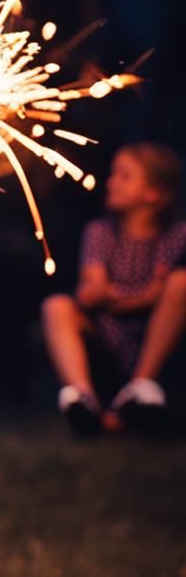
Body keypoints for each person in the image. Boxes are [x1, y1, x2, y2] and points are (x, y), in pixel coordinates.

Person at [42, 142, 186, 436]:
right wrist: (146, 295)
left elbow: (169, 295)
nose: (111, 183)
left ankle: (141, 389)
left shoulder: (177, 236)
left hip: (159, 349)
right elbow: (89, 295)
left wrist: (113, 296)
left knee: (182, 283)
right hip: (107, 344)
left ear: (154, 193)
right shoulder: (101, 232)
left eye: (125, 176)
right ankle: (84, 401)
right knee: (57, 306)